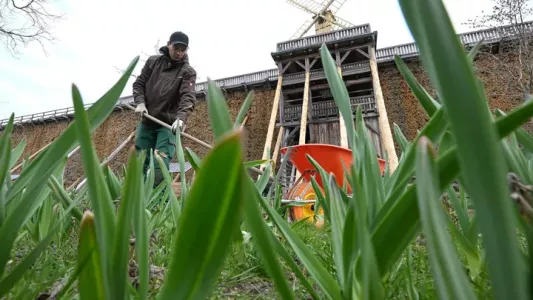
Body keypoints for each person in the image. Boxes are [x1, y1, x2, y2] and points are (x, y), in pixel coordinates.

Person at [132, 31, 197, 187]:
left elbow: (187, 97)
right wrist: (140, 103)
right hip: (148, 121)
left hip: (167, 126)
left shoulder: (188, 72)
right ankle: (133, 199)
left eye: (183, 49)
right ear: (169, 44)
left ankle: (156, 204)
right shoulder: (152, 62)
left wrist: (181, 118)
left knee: (160, 166)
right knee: (138, 163)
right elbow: (139, 84)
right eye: (176, 48)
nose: (179, 52)